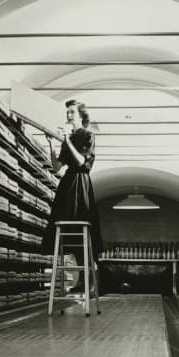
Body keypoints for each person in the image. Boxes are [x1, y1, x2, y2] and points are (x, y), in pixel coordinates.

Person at [42, 100, 103, 292]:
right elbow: (57, 167)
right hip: (67, 185)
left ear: (80, 115)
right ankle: (81, 280)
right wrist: (52, 144)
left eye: (71, 112)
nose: (67, 115)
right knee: (68, 230)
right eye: (67, 112)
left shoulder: (88, 135)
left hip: (81, 184)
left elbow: (82, 163)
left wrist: (66, 141)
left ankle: (89, 280)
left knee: (82, 227)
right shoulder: (68, 138)